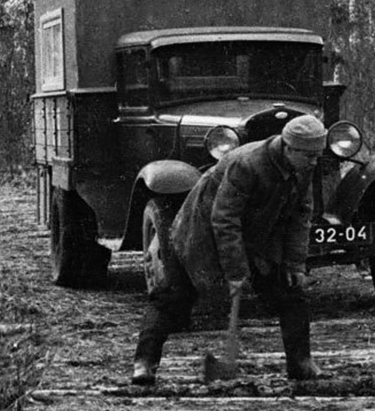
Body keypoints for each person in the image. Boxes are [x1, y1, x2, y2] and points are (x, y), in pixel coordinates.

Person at [131, 114, 328, 385]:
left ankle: (301, 364)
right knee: (173, 297)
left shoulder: (303, 166)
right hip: (200, 231)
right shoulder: (246, 164)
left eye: (317, 156)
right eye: (309, 156)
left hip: (252, 236)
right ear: (288, 147)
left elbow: (301, 216)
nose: (314, 162)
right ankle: (144, 363)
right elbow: (224, 220)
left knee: (291, 292)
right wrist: (236, 273)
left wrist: (294, 264)